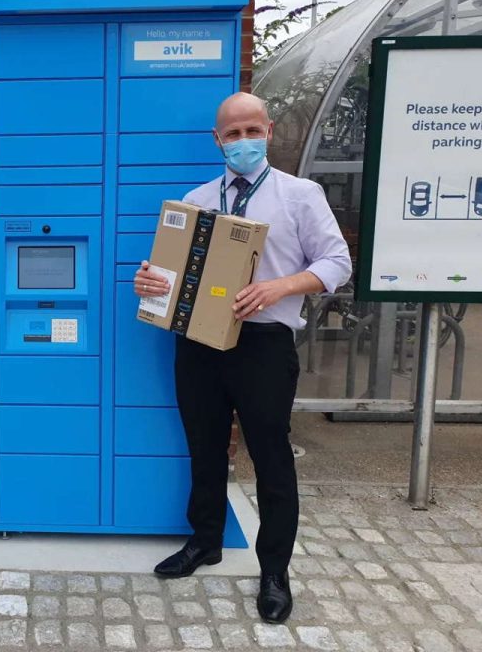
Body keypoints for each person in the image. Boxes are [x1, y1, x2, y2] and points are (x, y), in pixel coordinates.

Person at [134, 92, 351, 624]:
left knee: (271, 459)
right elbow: (174, 274)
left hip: (263, 346)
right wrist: (151, 281)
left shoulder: (300, 196)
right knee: (204, 448)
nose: (242, 141)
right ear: (217, 140)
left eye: (251, 130)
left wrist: (279, 288)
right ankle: (205, 541)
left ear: (269, 131)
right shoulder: (198, 198)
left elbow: (338, 262)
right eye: (232, 134)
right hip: (200, 343)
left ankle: (274, 571)